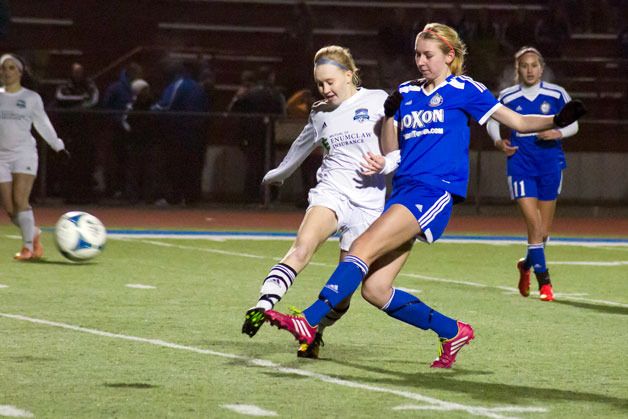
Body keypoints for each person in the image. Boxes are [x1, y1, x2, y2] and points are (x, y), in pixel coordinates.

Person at [262, 23, 586, 368]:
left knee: (360, 249)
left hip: (435, 190)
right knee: (375, 289)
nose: (421, 61)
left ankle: (309, 320)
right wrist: (387, 130)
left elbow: (517, 123)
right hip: (404, 190)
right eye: (417, 54)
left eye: (428, 55)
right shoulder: (406, 92)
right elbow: (392, 149)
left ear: (450, 56)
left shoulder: (465, 90)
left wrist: (556, 119)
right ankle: (453, 331)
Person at [241, 45, 390, 358]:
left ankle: (314, 333)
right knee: (301, 248)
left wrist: (390, 164)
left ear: (349, 75)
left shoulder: (379, 101)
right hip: (331, 192)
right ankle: (262, 305)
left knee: (344, 294)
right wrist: (278, 173)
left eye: (331, 82)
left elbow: (401, 143)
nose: (325, 89)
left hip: (369, 204)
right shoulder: (320, 112)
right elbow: (301, 145)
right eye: (320, 83)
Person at [486, 47, 579, 302]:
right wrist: (498, 142)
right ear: (518, 69)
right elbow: (492, 120)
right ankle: (545, 282)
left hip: (550, 163)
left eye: (534, 65)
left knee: (544, 231)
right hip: (520, 163)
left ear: (542, 67)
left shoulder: (556, 93)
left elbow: (574, 122)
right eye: (524, 65)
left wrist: (558, 132)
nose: (530, 70)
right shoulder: (507, 95)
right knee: (534, 225)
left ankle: (526, 265)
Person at [0, 54, 68, 260]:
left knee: (21, 201)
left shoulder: (31, 98)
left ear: (20, 72)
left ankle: (29, 248)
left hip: (24, 154)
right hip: (1, 157)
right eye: (4, 68)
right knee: (10, 209)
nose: (7, 72)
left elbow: (42, 124)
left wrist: (58, 145)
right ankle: (34, 232)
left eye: (12, 68)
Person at [229, 65, 286, 204]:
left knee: (253, 165)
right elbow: (282, 114)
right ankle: (270, 196)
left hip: (251, 134)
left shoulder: (248, 93)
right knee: (270, 165)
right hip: (268, 133)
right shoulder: (275, 94)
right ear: (270, 77)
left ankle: (251, 196)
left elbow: (234, 110)